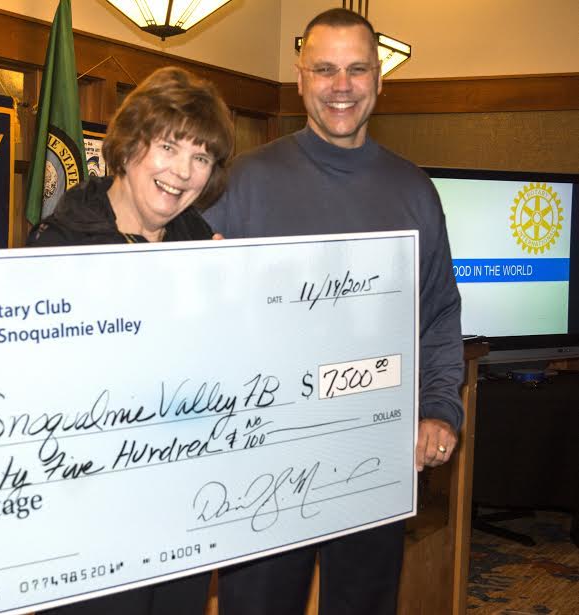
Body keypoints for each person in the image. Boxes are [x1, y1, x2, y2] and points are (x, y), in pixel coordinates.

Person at [204, 8, 464, 615]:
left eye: (356, 69)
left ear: (379, 79)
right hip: (264, 461)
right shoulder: (242, 182)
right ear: (300, 79)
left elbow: (439, 315)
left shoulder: (415, 191)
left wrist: (439, 409)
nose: (340, 86)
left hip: (373, 455)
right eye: (324, 69)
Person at [27, 65, 234, 614]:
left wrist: (228, 307)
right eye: (168, 146)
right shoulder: (58, 249)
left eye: (201, 157)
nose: (182, 172)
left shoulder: (206, 249)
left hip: (182, 511)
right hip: (87, 517)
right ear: (129, 146)